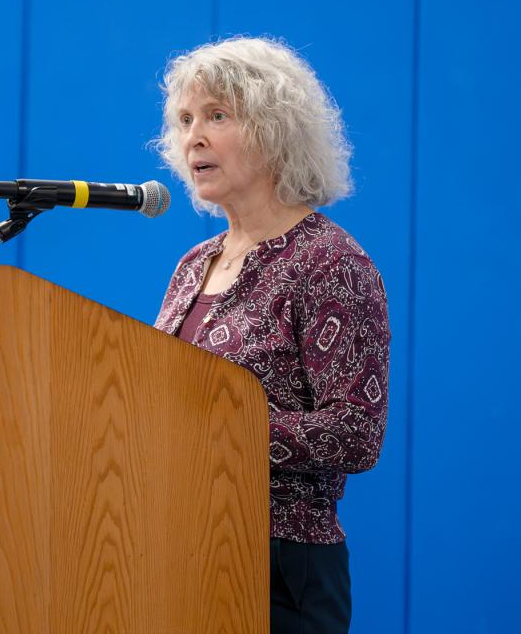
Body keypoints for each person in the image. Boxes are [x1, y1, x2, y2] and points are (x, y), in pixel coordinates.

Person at [152, 36, 389, 634]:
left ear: (275, 129)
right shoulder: (193, 265)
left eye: (217, 115)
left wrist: (218, 429)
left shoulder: (329, 262)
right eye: (184, 120)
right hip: (178, 551)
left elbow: (356, 434)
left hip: (280, 567)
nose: (193, 137)